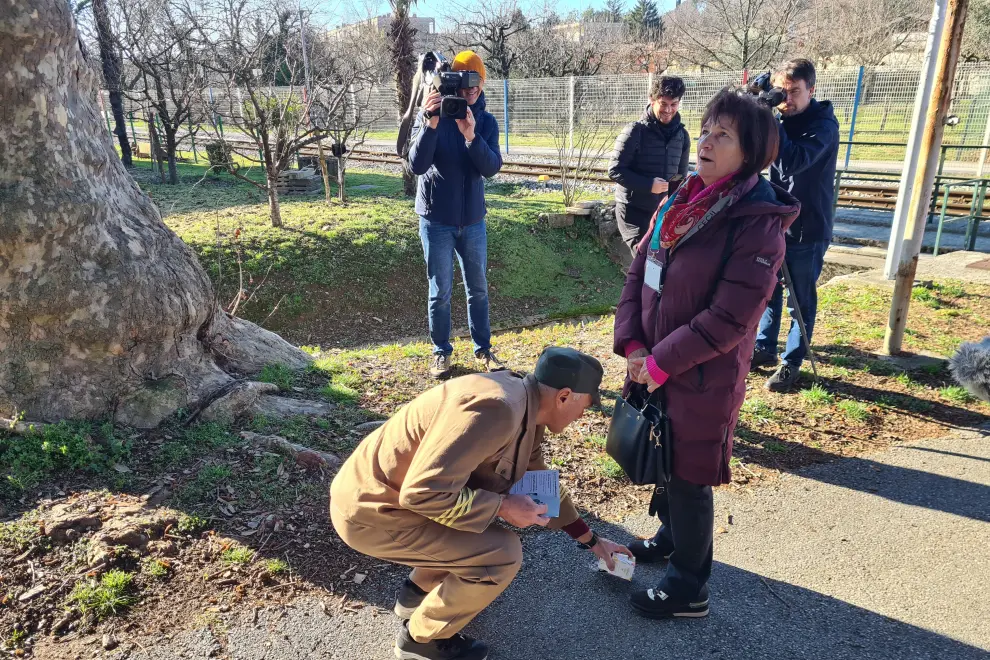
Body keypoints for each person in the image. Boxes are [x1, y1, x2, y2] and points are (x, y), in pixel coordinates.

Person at [613, 89, 799, 618]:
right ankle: (672, 538)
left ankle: (690, 585)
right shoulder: (679, 201)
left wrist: (658, 362)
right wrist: (631, 342)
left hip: (702, 378)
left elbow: (729, 319)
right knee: (665, 457)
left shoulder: (757, 222)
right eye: (708, 129)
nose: (707, 142)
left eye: (724, 135)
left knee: (691, 475)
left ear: (752, 154)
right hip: (652, 363)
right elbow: (638, 274)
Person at [330, 347, 631, 660]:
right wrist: (501, 505)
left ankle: (416, 596)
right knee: (499, 555)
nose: (586, 412)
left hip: (386, 501)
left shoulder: (525, 406)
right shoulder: (498, 411)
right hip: (373, 514)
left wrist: (593, 542)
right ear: (565, 396)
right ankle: (421, 641)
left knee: (474, 524)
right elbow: (423, 493)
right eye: (588, 403)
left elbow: (543, 487)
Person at [408, 51, 504, 379]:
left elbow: (490, 167)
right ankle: (441, 352)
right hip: (436, 220)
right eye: (465, 81)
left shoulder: (486, 122)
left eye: (477, 81)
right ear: (453, 81)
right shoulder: (434, 113)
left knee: (478, 288)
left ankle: (483, 348)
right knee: (441, 291)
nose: (471, 88)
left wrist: (471, 136)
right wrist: (430, 123)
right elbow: (416, 165)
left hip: (473, 221)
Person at [753, 58, 840, 391]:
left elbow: (791, 162)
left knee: (799, 301)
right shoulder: (783, 119)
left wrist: (771, 117)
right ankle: (764, 347)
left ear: (811, 90)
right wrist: (757, 106)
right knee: (769, 290)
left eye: (794, 92)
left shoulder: (823, 126)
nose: (786, 99)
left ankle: (792, 362)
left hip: (808, 227)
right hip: (777, 223)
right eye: (782, 91)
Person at [608, 75, 692, 256]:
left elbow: (680, 179)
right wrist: (648, 185)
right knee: (643, 260)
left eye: (674, 104)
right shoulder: (634, 131)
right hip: (632, 212)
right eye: (663, 104)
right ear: (651, 100)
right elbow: (615, 170)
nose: (668, 110)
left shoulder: (683, 136)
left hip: (663, 213)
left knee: (660, 268)